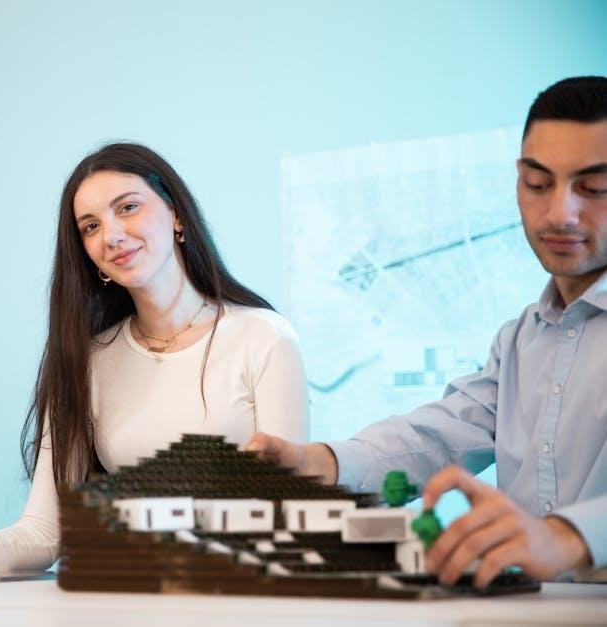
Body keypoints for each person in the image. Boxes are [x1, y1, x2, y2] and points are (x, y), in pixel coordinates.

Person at [247, 76, 607, 586]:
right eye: (537, 183)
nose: (559, 213)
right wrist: (319, 462)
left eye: (594, 188)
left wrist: (570, 537)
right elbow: (435, 437)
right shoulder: (520, 341)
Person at [0, 143, 309, 574]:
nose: (110, 236)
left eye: (128, 207)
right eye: (91, 226)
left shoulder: (264, 337)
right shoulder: (89, 361)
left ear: (177, 216)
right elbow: (45, 531)